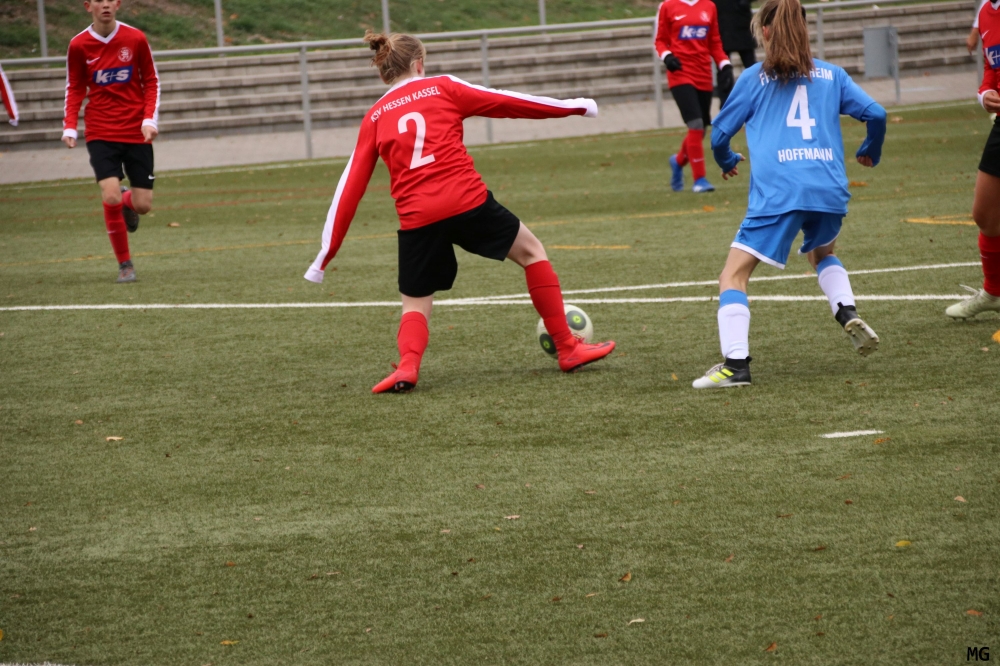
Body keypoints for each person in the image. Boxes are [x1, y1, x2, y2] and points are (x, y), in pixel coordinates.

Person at [304, 31, 616, 394]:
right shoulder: (442, 87)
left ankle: (407, 367)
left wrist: (324, 257)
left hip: (418, 218)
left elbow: (349, 188)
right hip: (467, 201)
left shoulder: (375, 116)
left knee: (415, 302)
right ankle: (567, 347)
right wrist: (576, 106)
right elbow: (507, 102)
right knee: (532, 252)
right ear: (419, 64)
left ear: (383, 72)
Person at [691, 0, 887, 389]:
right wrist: (870, 150)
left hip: (780, 192)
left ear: (765, 32)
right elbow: (877, 114)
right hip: (829, 188)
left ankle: (735, 365)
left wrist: (727, 159)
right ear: (804, 30)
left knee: (733, 275)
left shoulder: (753, 78)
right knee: (822, 254)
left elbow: (719, 135)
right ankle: (846, 311)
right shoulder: (833, 75)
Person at [62, 0, 160, 283]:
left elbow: (151, 81)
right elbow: (75, 86)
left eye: (110, 0)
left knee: (143, 205)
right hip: (100, 131)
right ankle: (125, 265)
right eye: (98, 0)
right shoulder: (78, 45)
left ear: (117, 5)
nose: (104, 5)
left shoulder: (135, 38)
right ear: (88, 6)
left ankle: (128, 201)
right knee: (110, 196)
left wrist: (149, 119)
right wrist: (70, 126)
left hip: (136, 130)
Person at [947, 0, 1000, 319]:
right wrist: (984, 95)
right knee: (985, 214)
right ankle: (994, 293)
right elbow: (991, 70)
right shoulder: (985, 12)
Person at [655, 0, 733, 193]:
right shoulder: (668, 6)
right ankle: (700, 180)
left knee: (701, 129)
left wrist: (724, 65)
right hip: (680, 73)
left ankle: (677, 161)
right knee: (696, 124)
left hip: (703, 74)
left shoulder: (709, 6)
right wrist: (667, 56)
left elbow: (714, 41)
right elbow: (660, 41)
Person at [712, 0, 757, 107]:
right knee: (724, 71)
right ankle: (725, 105)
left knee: (752, 69)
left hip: (742, 28)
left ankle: (757, 98)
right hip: (723, 29)